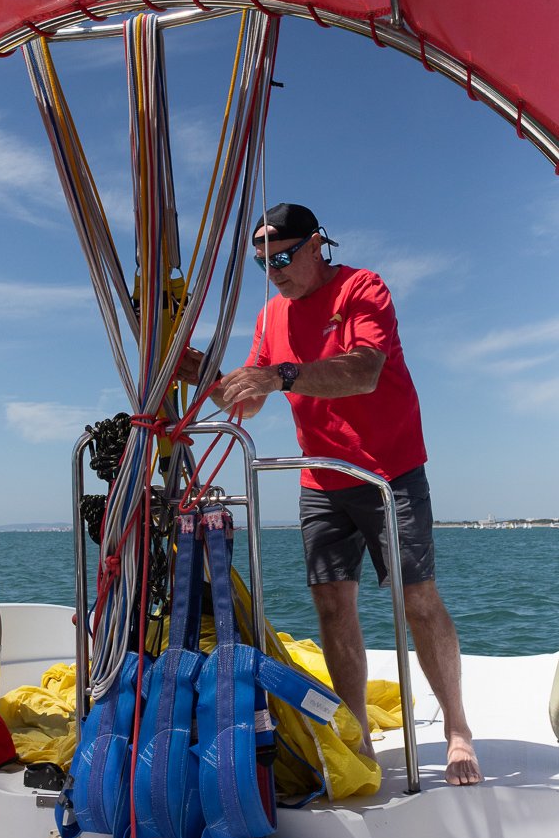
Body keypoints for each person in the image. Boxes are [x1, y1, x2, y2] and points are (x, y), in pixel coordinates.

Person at [179, 202, 482, 786]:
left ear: (317, 245)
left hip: (390, 473)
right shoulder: (271, 316)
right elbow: (248, 401)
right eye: (263, 263)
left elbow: (364, 371)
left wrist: (282, 374)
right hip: (321, 479)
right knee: (331, 605)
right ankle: (358, 735)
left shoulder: (362, 289)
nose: (274, 272)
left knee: (417, 600)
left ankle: (457, 729)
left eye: (283, 258)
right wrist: (208, 379)